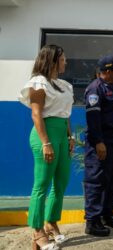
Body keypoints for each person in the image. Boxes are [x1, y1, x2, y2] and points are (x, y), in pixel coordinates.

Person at [19, 44, 74, 250]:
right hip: (46, 134)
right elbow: (36, 114)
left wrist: (70, 136)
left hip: (61, 133)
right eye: (62, 59)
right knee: (41, 184)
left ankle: (51, 223)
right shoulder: (38, 82)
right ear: (52, 60)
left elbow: (65, 114)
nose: (65, 62)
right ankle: (37, 230)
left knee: (61, 182)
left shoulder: (63, 84)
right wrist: (46, 143)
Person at [84, 55, 113, 237]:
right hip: (102, 143)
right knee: (96, 181)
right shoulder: (95, 89)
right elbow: (93, 119)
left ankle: (107, 214)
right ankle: (93, 221)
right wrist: (99, 142)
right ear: (107, 72)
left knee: (111, 180)